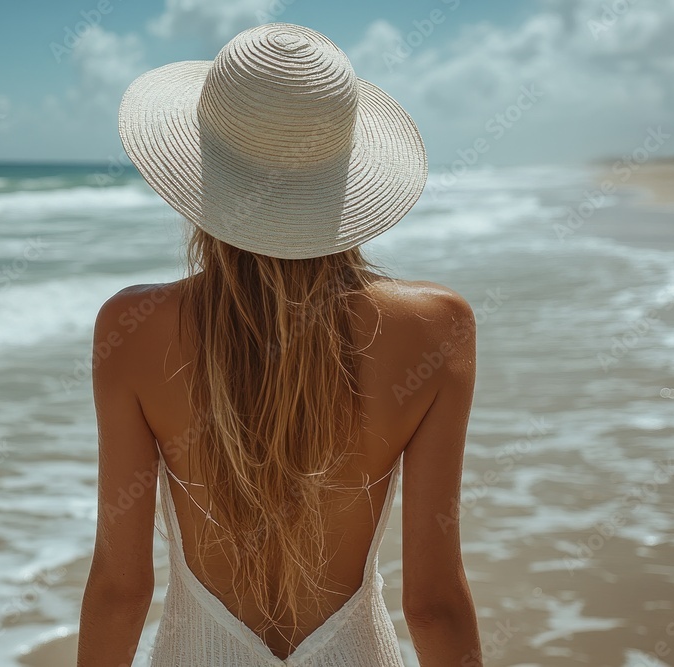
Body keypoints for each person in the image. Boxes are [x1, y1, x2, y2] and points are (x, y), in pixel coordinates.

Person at [77, 22, 482, 667]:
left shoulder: (133, 326)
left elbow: (122, 592)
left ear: (202, 167)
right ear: (347, 174)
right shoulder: (436, 327)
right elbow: (433, 603)